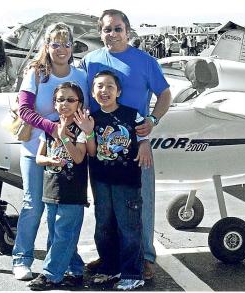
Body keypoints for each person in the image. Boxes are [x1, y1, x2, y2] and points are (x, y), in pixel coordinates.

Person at [80, 9, 172, 280]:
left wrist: (153, 119)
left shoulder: (145, 62)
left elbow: (164, 93)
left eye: (118, 29)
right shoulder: (89, 61)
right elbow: (78, 94)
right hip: (101, 147)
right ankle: (110, 257)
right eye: (107, 29)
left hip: (136, 143)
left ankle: (144, 257)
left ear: (127, 32)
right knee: (105, 206)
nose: (113, 34)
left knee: (139, 203)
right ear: (100, 33)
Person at [12, 22, 88, 281]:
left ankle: (68, 262)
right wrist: (53, 128)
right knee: (33, 205)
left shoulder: (81, 76)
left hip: (69, 153)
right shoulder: (36, 72)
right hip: (36, 150)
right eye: (56, 44)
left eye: (67, 44)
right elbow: (24, 110)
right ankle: (22, 258)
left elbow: (87, 111)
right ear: (47, 46)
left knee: (63, 213)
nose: (62, 49)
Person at [76, 70, 152, 290]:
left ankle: (132, 273)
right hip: (101, 181)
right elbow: (91, 152)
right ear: (92, 91)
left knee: (129, 228)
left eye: (109, 86)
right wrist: (89, 132)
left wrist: (145, 143)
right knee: (104, 227)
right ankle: (110, 267)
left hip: (127, 182)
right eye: (99, 86)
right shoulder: (90, 118)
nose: (104, 90)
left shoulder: (133, 115)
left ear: (118, 91)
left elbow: (144, 137)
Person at [27, 82, 89, 290]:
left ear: (79, 103)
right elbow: (39, 157)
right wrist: (50, 161)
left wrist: (64, 138)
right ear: (54, 103)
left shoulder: (81, 128)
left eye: (71, 100)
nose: (65, 104)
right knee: (56, 234)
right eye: (60, 99)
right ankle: (75, 269)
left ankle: (51, 275)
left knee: (64, 233)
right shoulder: (50, 126)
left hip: (72, 191)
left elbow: (79, 158)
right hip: (51, 188)